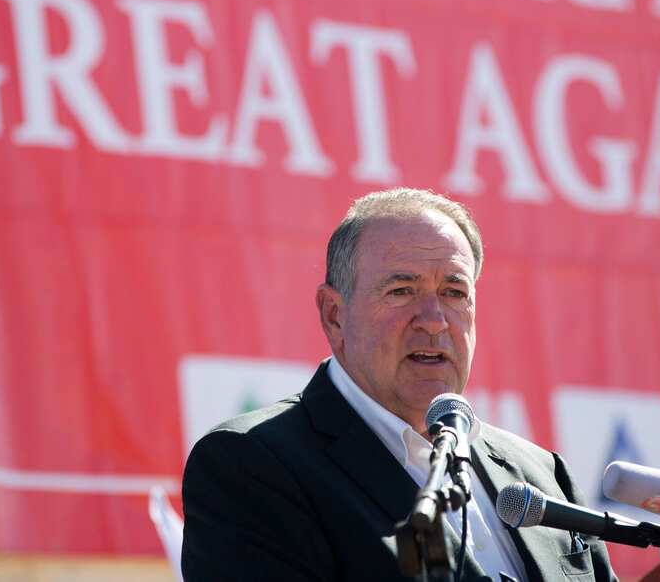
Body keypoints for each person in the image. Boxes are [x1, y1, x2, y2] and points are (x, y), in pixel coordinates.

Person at [181, 188, 617, 582]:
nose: (433, 320)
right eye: (402, 290)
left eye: (453, 292)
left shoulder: (541, 475)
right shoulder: (252, 465)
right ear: (334, 314)